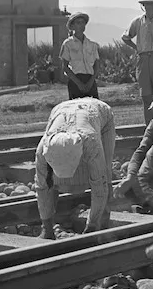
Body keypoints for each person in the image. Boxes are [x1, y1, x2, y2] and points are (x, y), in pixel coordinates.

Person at [34, 97, 115, 239]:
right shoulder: (43, 149)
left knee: (104, 172)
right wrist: (46, 227)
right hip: (60, 110)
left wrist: (92, 226)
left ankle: (102, 222)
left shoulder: (91, 142)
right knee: (48, 181)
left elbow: (99, 185)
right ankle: (47, 227)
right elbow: (42, 187)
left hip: (98, 112)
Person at [59, 12, 100, 100]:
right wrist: (79, 83)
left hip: (90, 80)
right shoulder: (68, 44)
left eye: (83, 23)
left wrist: (91, 82)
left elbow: (96, 66)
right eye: (78, 23)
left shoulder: (92, 44)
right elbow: (65, 67)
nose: (81, 25)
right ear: (72, 26)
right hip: (75, 81)